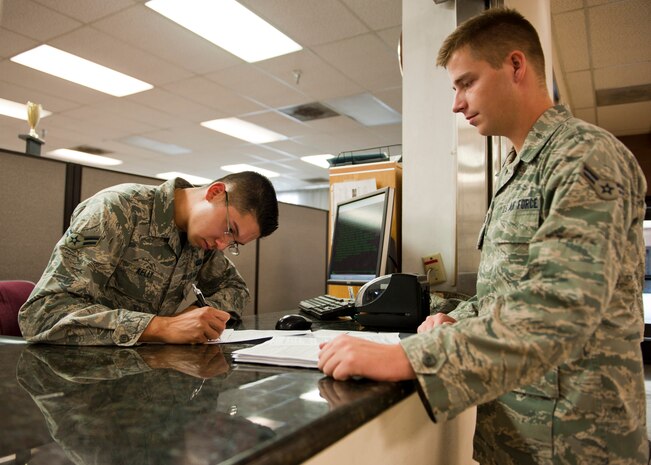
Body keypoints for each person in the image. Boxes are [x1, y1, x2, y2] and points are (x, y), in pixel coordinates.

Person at [318, 8, 648, 464]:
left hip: (577, 442)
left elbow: (561, 307)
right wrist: (461, 317)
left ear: (516, 66)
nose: (456, 103)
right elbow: (507, 294)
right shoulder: (513, 172)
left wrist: (413, 358)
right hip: (513, 438)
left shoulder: (585, 157)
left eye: (466, 83)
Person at [19, 171, 279, 346]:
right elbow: (42, 314)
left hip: (147, 385)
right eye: (229, 229)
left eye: (234, 243)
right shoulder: (116, 211)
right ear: (215, 193)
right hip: (85, 389)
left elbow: (235, 288)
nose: (222, 245)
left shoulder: (202, 239)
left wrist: (196, 316)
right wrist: (159, 327)